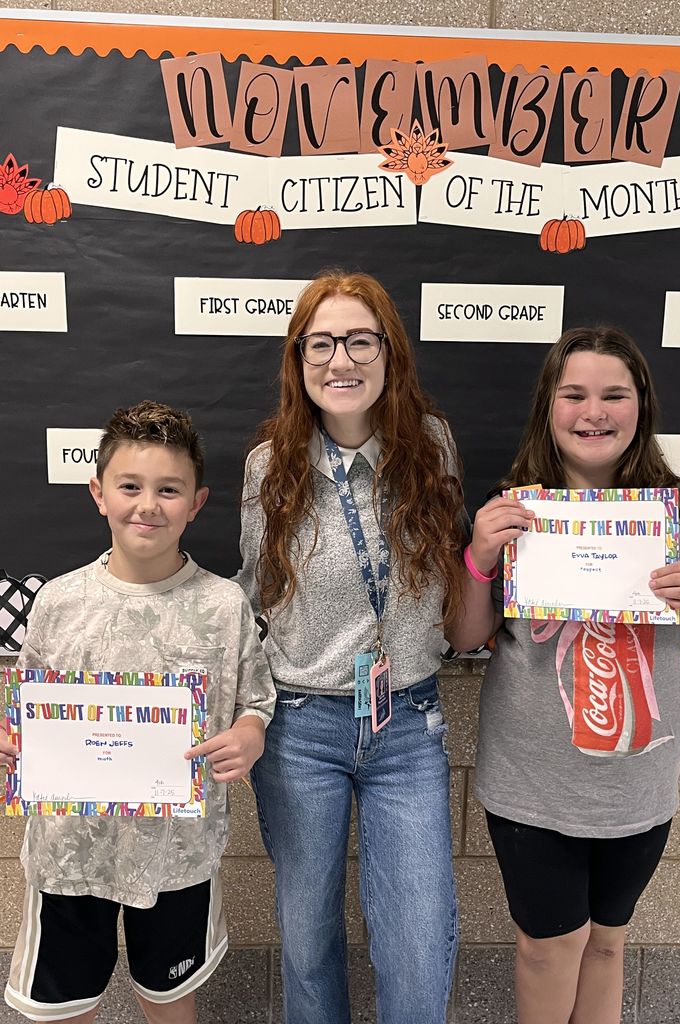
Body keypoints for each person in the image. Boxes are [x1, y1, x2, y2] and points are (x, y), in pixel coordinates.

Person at [447, 327, 680, 1024]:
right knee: (549, 947)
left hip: (639, 784)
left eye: (614, 394)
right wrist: (478, 559)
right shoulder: (514, 509)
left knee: (608, 943)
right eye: (574, 394)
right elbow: (463, 639)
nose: (594, 412)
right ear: (547, 408)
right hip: (533, 783)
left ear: (641, 406)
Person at [236, 270, 466, 1024]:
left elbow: (451, 576)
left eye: (360, 340)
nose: (342, 360)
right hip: (302, 728)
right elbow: (251, 595)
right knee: (307, 940)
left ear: (390, 353)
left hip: (408, 725)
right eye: (322, 343)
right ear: (299, 359)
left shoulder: (431, 448)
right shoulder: (270, 465)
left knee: (417, 943)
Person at [1, 400, 276, 1024]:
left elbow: (256, 699)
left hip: (176, 853)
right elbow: (28, 711)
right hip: (70, 853)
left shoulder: (222, 605)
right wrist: (15, 740)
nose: (147, 505)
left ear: (197, 502)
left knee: (170, 997)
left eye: (168, 490)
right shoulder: (58, 603)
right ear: (99, 493)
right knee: (61, 1005)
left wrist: (250, 733)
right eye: (130, 486)